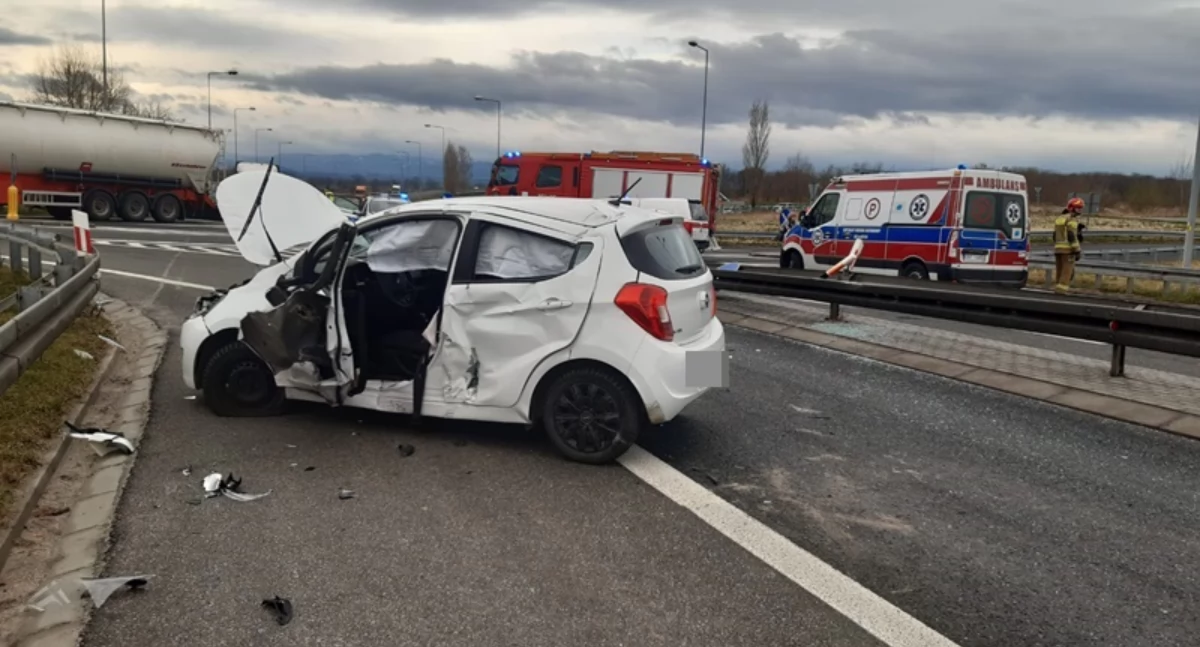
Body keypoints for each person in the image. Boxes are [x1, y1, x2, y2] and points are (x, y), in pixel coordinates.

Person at [1054, 197, 1084, 293]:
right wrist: (1077, 250)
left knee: (1060, 270)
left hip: (1058, 250)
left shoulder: (1060, 218)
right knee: (1067, 271)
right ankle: (1062, 291)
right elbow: (1071, 235)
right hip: (1068, 250)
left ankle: (1058, 288)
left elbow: (1055, 235)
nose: (1079, 210)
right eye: (1078, 208)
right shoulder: (1072, 219)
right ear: (1072, 208)